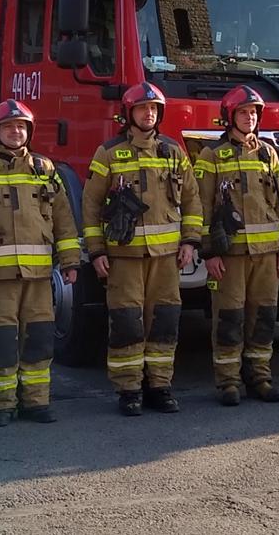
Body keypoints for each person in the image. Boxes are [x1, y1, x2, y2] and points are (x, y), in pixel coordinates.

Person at [0, 99, 80, 426]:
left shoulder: (44, 169)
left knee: (39, 339)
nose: (15, 132)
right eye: (8, 127)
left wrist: (70, 260)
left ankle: (36, 402)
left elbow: (63, 217)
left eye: (21, 126)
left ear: (29, 131)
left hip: (38, 276)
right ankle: (1, 405)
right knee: (1, 341)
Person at [81, 83, 203, 416]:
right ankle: (129, 390)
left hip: (166, 258)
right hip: (124, 258)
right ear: (128, 113)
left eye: (153, 109)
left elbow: (192, 199)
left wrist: (190, 241)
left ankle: (160, 386)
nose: (148, 113)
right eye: (142, 108)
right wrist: (97, 251)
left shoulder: (173, 151)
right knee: (127, 323)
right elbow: (91, 205)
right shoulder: (108, 152)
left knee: (164, 321)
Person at [195, 85, 279, 406]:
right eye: (243, 112)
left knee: (263, 317)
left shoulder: (268, 153)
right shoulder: (211, 155)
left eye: (253, 112)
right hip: (230, 255)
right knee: (229, 318)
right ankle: (228, 382)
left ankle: (260, 378)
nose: (250, 117)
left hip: (266, 254)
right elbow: (202, 207)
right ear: (229, 116)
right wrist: (209, 252)